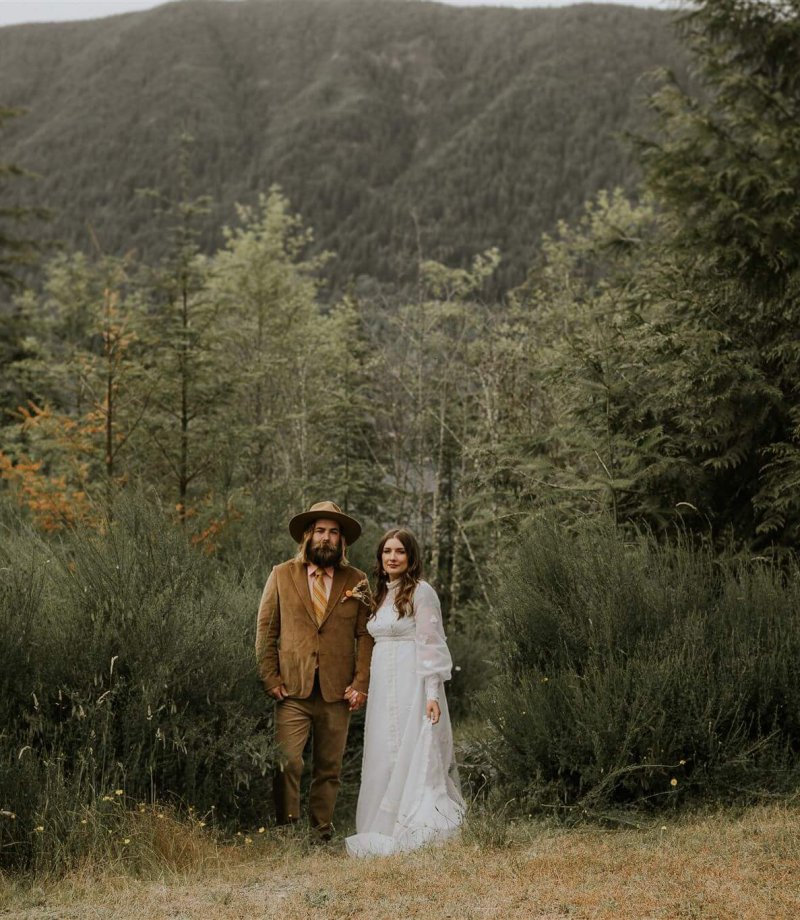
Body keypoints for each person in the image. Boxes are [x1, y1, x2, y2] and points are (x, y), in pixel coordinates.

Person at [255, 500, 374, 842]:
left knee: (329, 768)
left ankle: (321, 832)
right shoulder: (281, 574)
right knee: (288, 762)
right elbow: (266, 629)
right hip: (291, 689)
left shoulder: (358, 580)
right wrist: (270, 676)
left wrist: (361, 682)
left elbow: (366, 635)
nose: (327, 538)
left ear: (342, 541)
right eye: (320, 531)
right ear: (307, 536)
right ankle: (288, 831)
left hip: (338, 692)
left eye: (334, 533)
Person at [345, 528, 464, 857]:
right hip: (384, 684)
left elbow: (431, 643)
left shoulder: (421, 592)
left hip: (412, 680)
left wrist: (432, 693)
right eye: (387, 552)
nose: (392, 557)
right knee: (384, 750)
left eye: (399, 552)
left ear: (411, 558)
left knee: (411, 747)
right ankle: (382, 823)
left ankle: (416, 821)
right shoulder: (380, 594)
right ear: (380, 558)